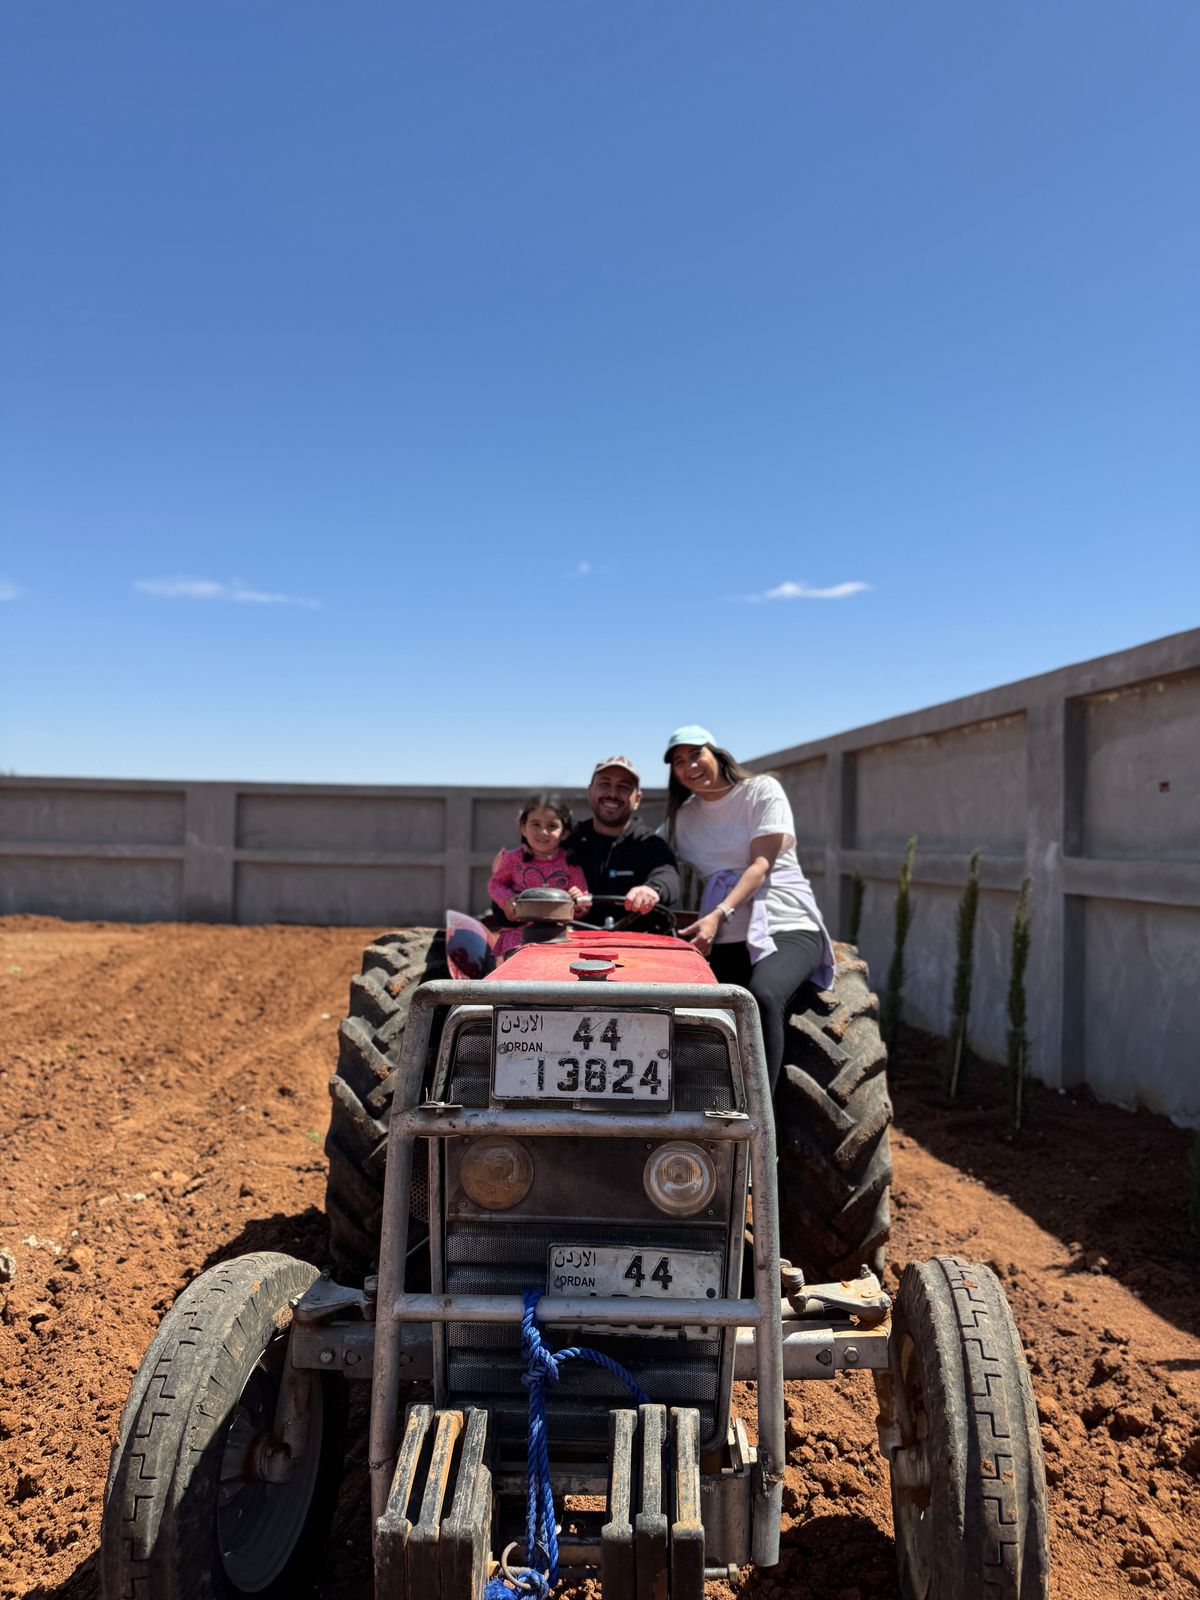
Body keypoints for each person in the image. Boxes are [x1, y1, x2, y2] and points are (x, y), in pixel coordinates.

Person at [662, 725, 835, 1094]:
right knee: (697, 1007)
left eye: (696, 754)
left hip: (784, 922)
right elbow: (649, 852)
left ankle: (761, 1123)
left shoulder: (761, 790)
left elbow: (760, 865)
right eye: (678, 761)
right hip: (724, 935)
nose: (689, 765)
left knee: (763, 995)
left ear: (716, 754)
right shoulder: (684, 818)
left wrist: (719, 913)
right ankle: (704, 1111)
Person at [568, 755, 681, 927]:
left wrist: (652, 889)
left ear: (637, 799)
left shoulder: (649, 843)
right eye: (604, 784)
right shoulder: (567, 838)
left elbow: (668, 876)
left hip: (634, 945)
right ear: (589, 791)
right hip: (570, 943)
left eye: (624, 787)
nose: (612, 793)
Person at [488, 794, 592, 959]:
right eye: (535, 824)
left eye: (552, 826)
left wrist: (578, 899)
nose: (543, 832)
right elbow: (495, 884)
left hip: (558, 936)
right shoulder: (514, 858)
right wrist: (507, 900)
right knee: (513, 969)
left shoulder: (571, 863)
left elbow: (585, 902)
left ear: (564, 832)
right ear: (523, 827)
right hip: (518, 935)